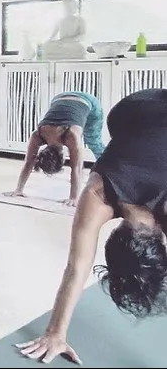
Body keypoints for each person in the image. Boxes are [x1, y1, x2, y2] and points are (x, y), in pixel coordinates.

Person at [15, 88, 167, 364]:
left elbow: (77, 266)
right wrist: (54, 334)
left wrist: (56, 333)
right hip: (129, 113)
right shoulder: (99, 193)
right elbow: (76, 267)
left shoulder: (98, 196)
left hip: (127, 111)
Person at [4, 91, 106, 207]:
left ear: (62, 158)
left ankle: (111, 171)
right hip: (59, 98)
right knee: (87, 144)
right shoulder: (38, 134)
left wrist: (73, 198)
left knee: (93, 142)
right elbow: (28, 163)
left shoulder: (70, 135)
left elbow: (77, 168)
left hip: (88, 101)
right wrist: (19, 189)